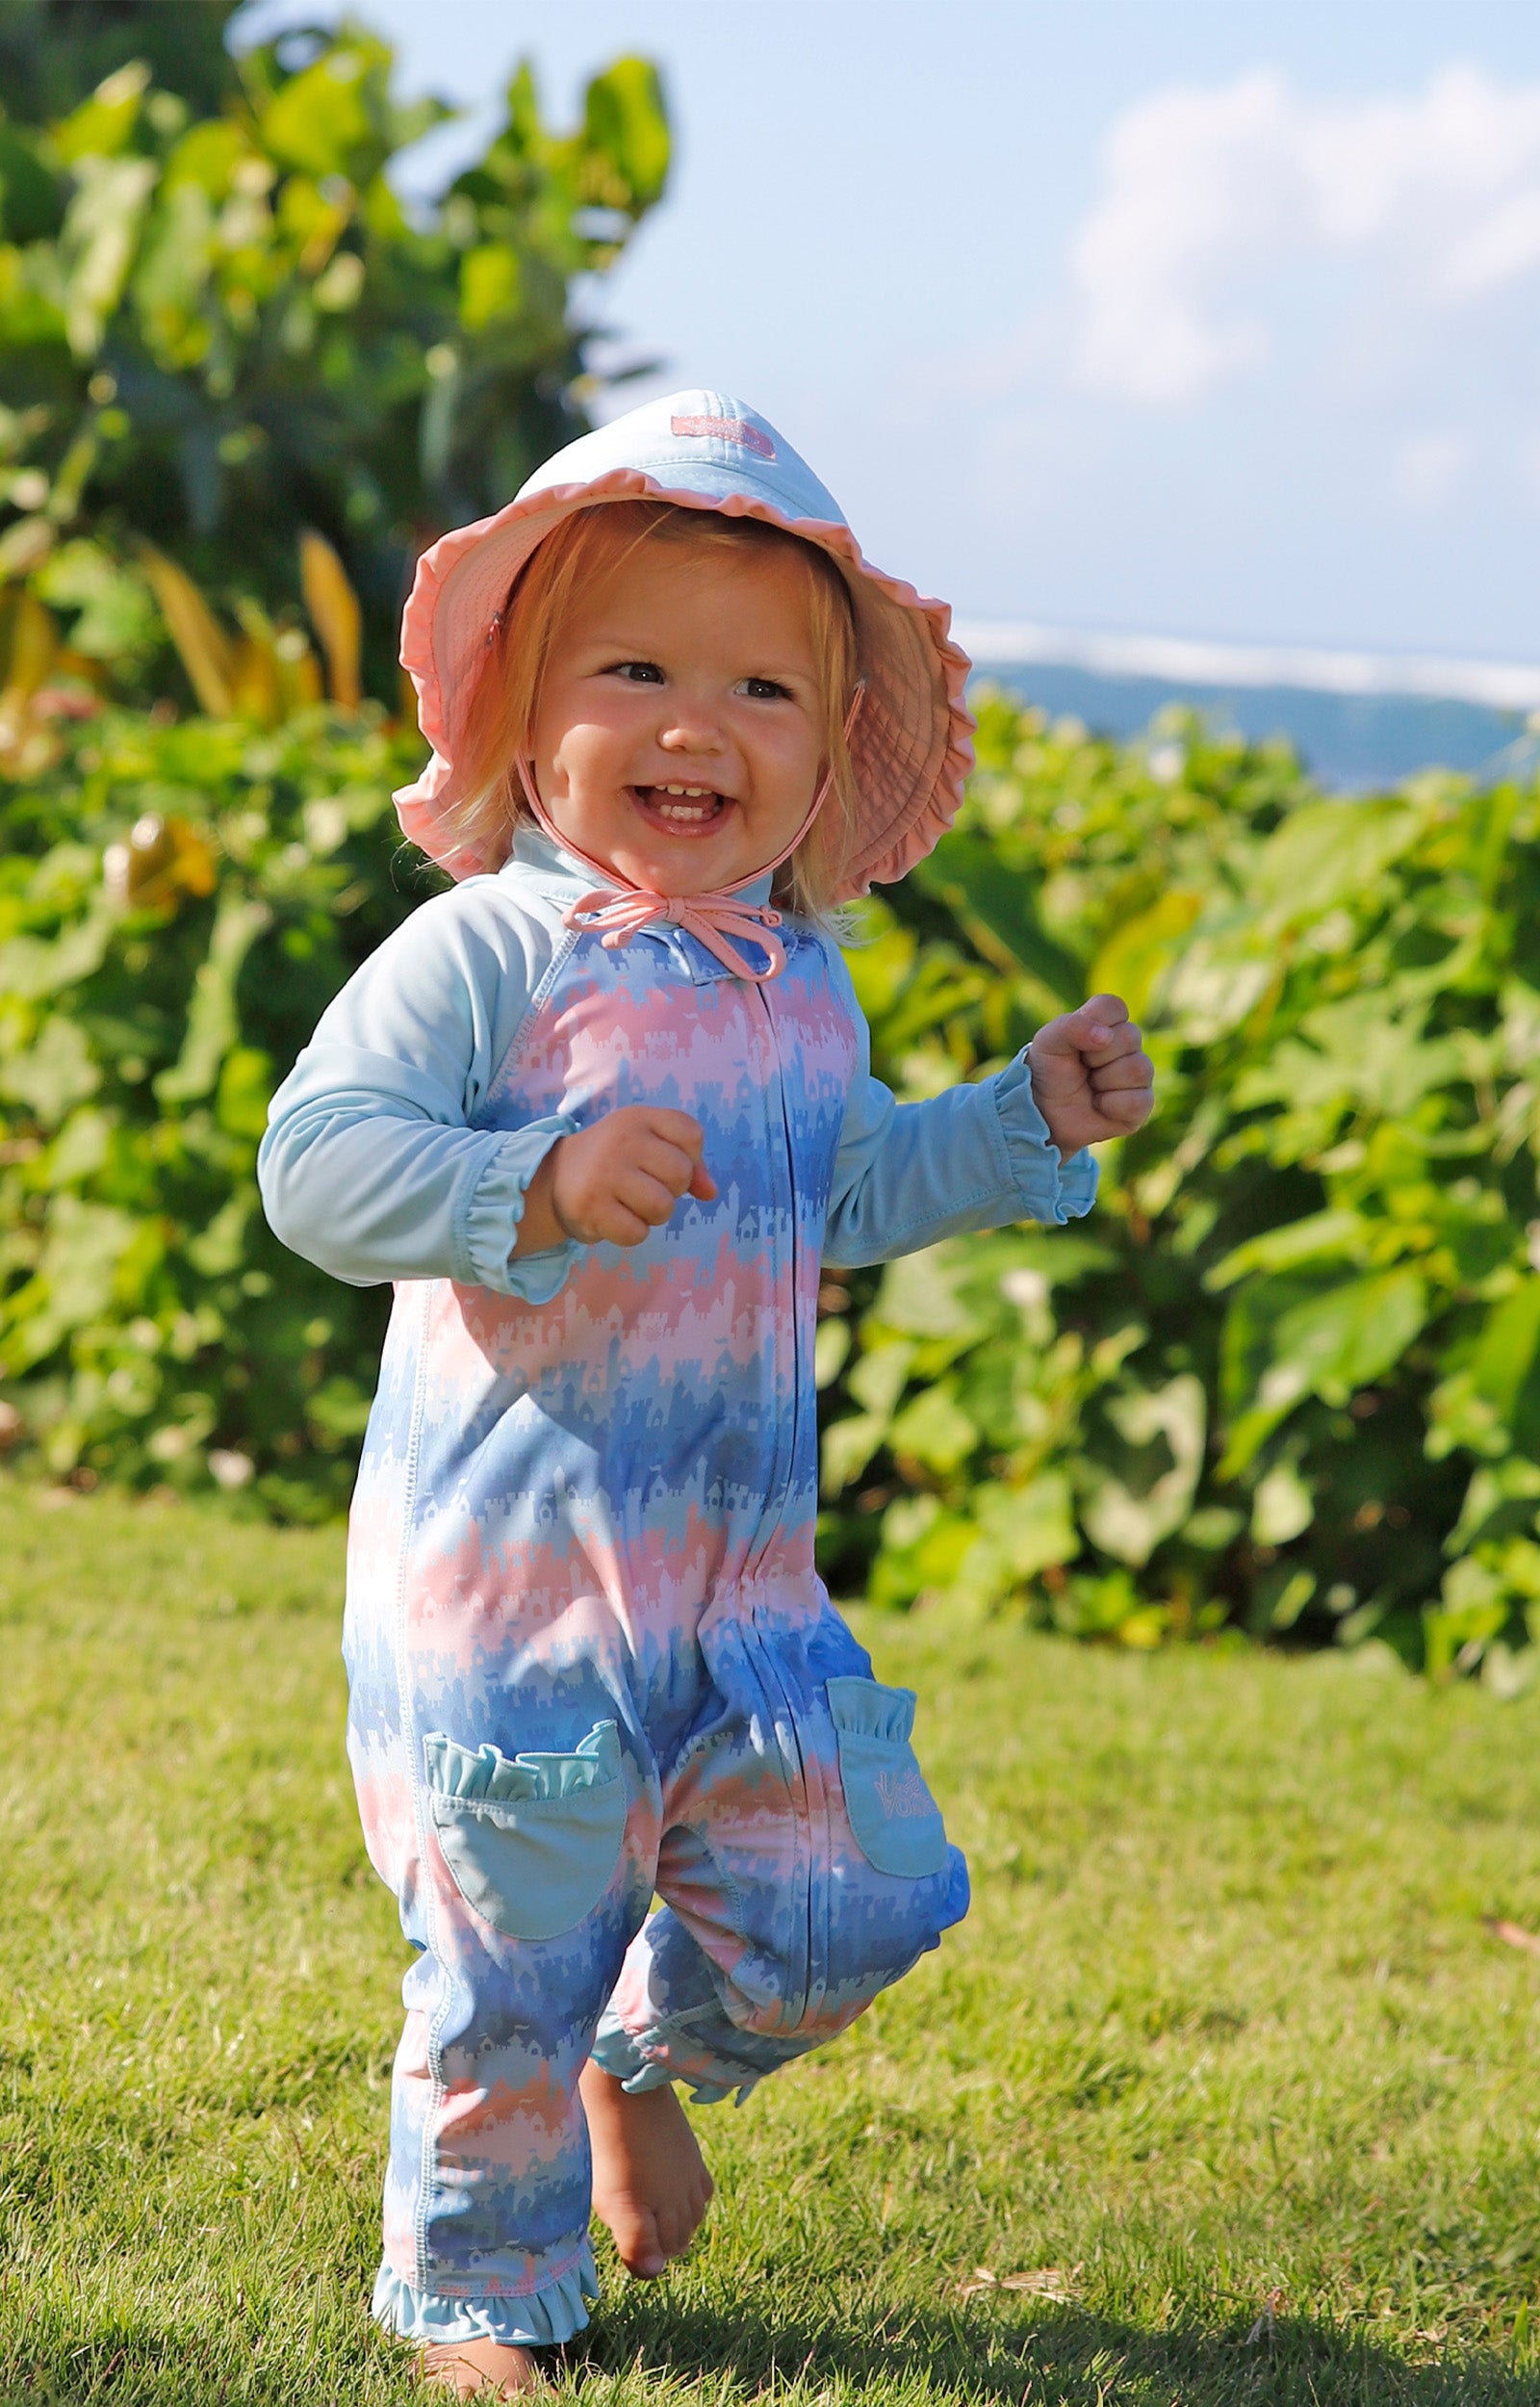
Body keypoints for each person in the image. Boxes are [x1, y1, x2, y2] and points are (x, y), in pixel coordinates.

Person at [258, 390, 1155, 2398]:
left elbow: (835, 1184)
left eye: (761, 687)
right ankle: (483, 2290)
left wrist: (1014, 1120)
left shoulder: (797, 977)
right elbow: (310, 1166)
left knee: (854, 1891)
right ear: (516, 717)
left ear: (828, 753)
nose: (697, 724)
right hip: (512, 1599)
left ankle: (634, 2049)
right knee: (501, 1955)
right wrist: (523, 1183)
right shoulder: (485, 951)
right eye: (636, 667)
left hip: (733, 1594)